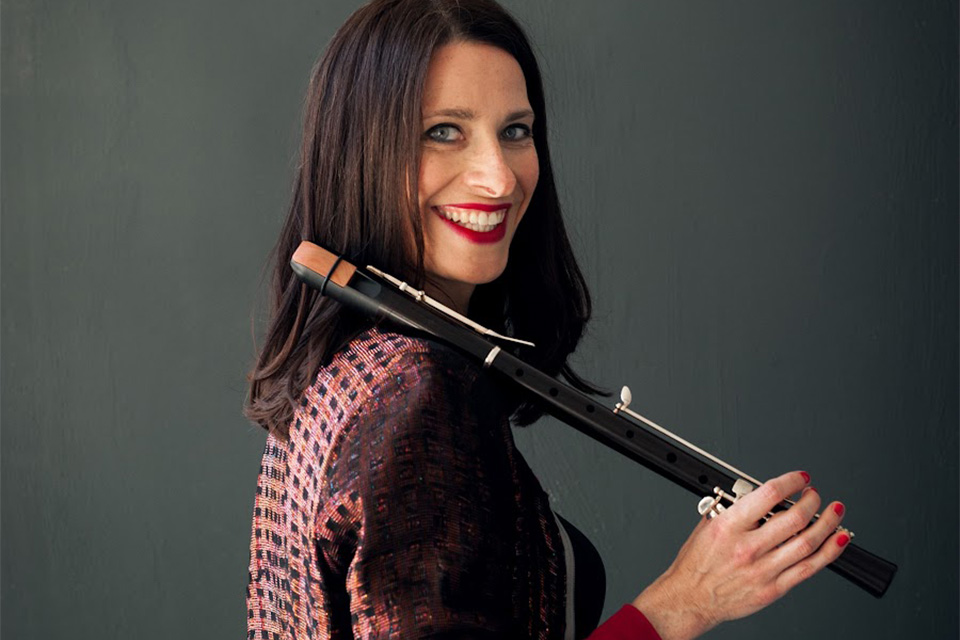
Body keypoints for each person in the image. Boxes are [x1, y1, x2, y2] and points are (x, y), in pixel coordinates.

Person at [244, 1, 851, 638]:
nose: (499, 177)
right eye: (444, 131)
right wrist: (683, 604)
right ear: (359, 154)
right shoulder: (413, 392)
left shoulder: (344, 372)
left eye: (515, 131)